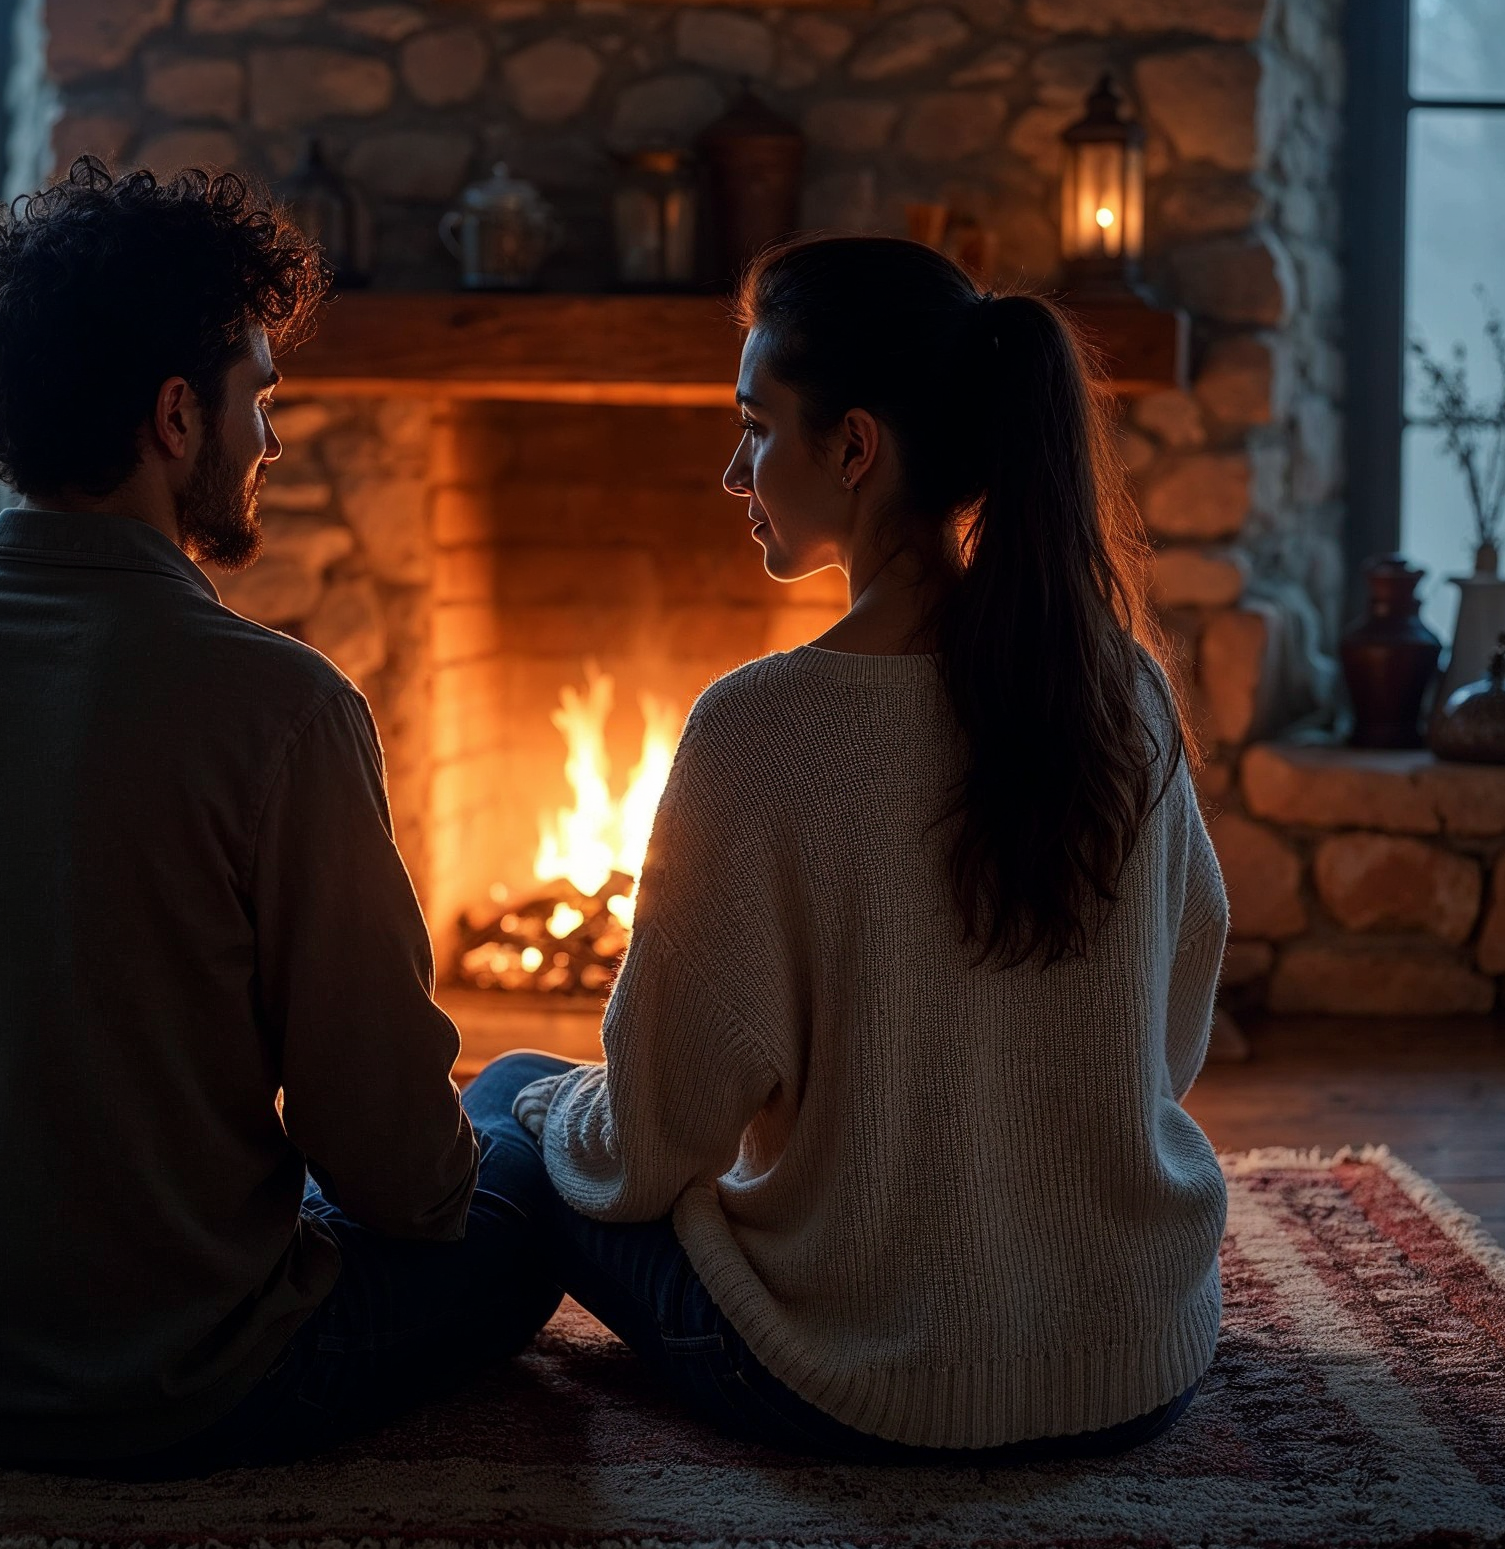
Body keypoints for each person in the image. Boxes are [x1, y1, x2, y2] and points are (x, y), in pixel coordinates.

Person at [0, 160, 559, 1476]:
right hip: (175, 1383)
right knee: (529, 1127)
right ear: (178, 416)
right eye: (260, 397)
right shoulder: (280, 708)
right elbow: (398, 1174)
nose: (273, 442)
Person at [484, 234, 1229, 1464]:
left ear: (853, 446)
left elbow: (657, 1135)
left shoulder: (758, 725)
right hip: (1132, 1361)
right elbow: (1171, 1029)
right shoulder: (1126, 690)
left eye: (754, 426)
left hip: (857, 1383)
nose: (733, 469)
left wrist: (560, 1109)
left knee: (511, 1096)